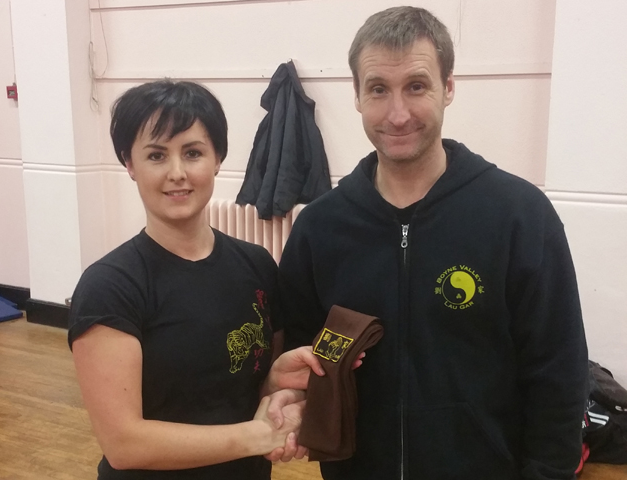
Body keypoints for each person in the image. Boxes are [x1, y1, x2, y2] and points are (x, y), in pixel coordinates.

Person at [279, 6, 588, 480]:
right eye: (378, 88)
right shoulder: (319, 229)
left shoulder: (520, 217)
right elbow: (299, 360)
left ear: (448, 88)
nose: (398, 114)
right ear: (357, 96)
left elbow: (558, 378)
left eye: (416, 86)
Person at [68, 80, 323, 480]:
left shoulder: (256, 266)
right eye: (156, 155)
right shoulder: (111, 287)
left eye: (192, 153)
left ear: (217, 158)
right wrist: (257, 437)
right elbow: (123, 443)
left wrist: (276, 380)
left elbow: (245, 392)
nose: (177, 173)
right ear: (129, 164)